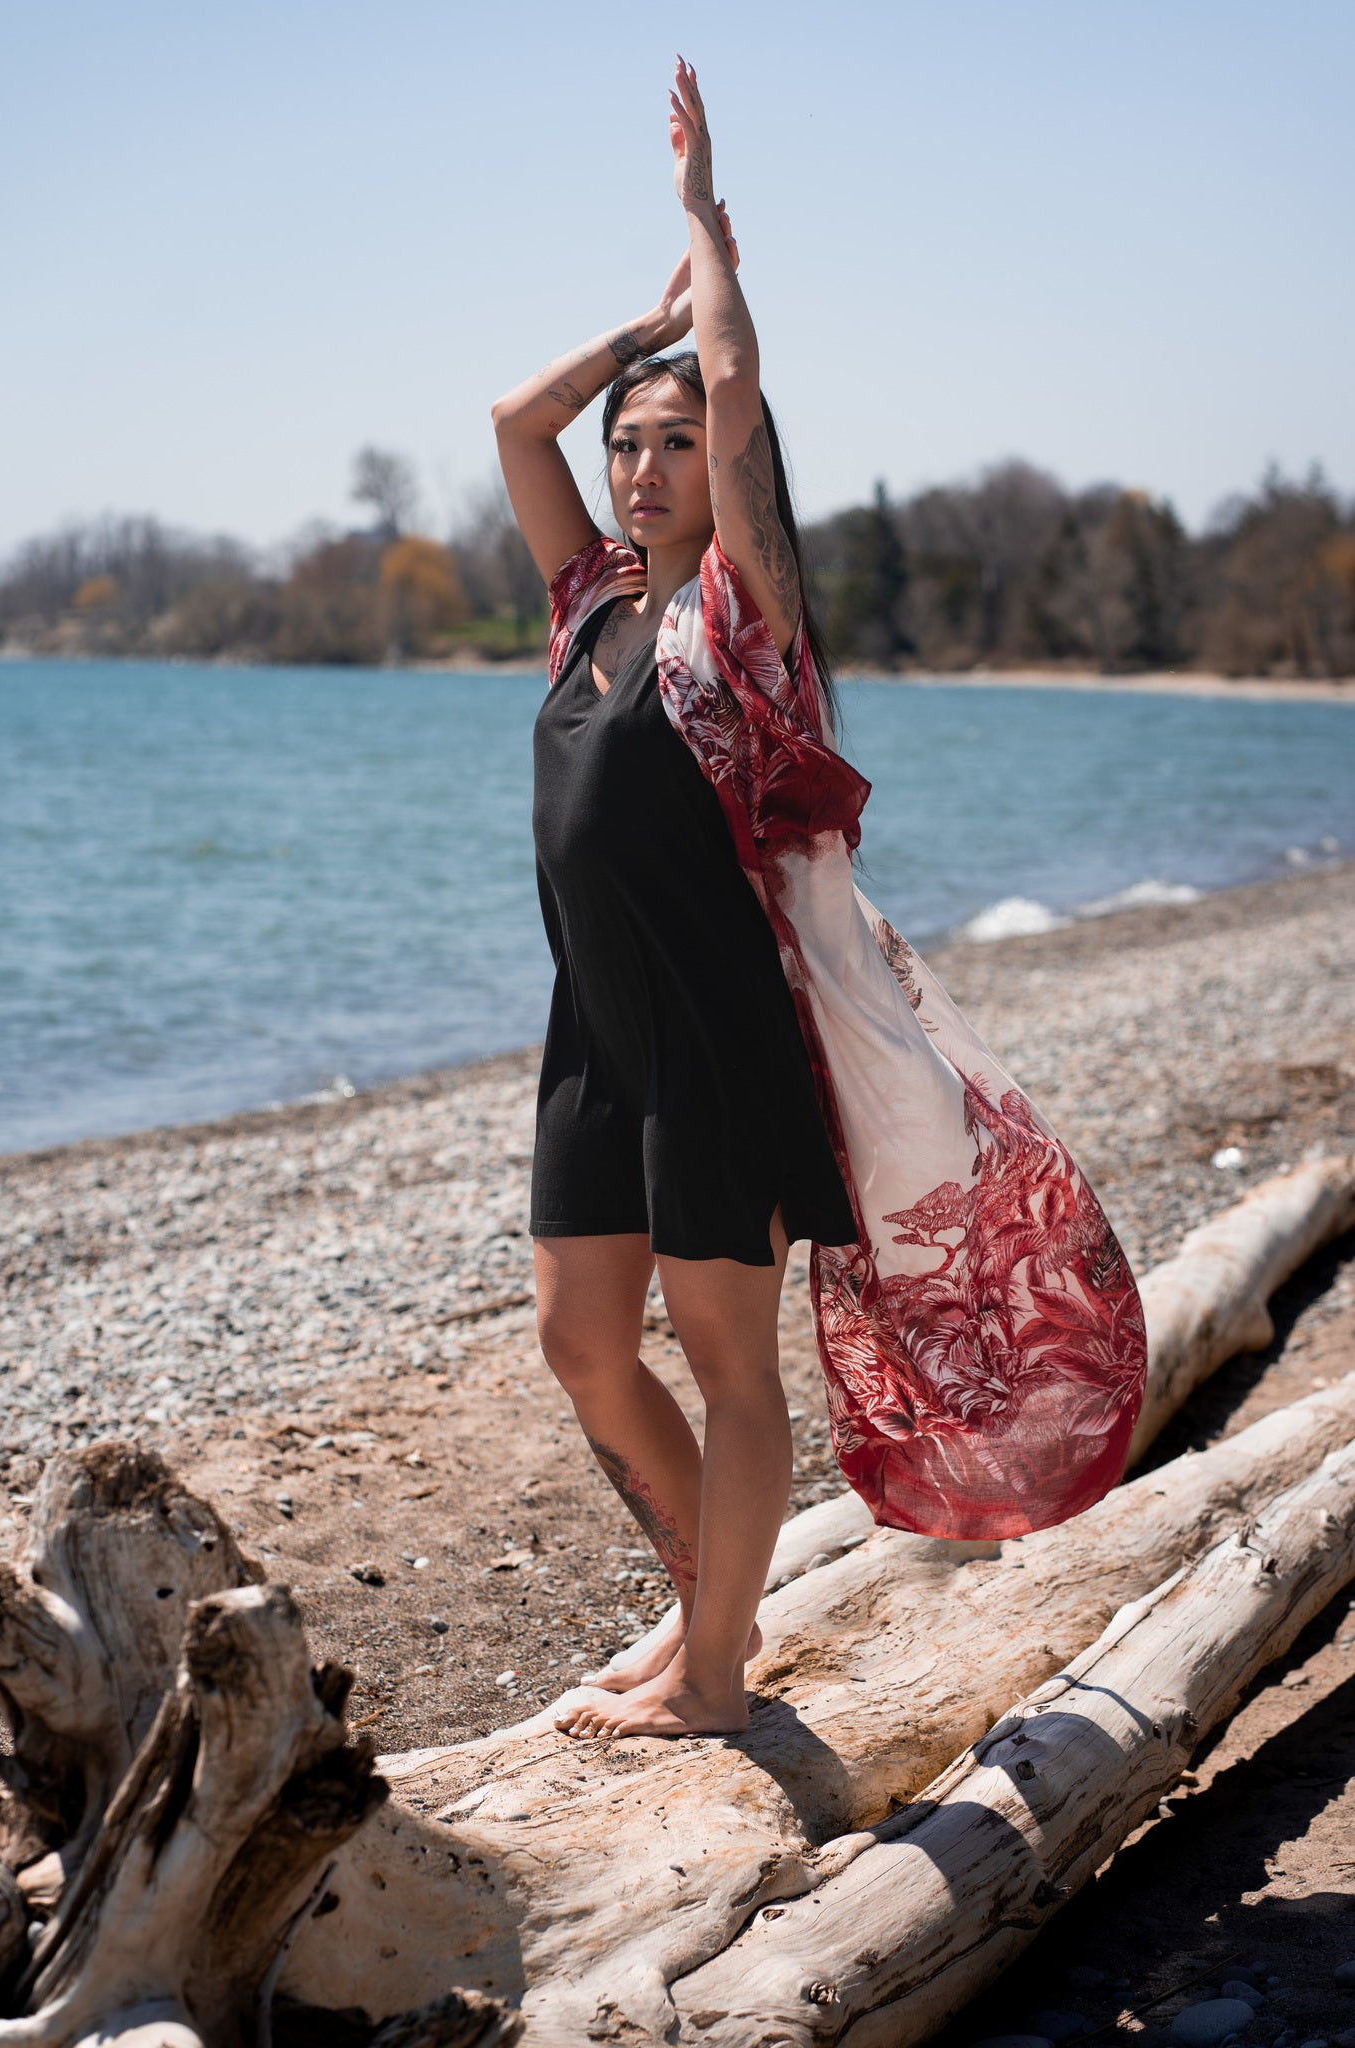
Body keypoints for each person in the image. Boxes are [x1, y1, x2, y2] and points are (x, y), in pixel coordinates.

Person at [492, 60, 1148, 1742]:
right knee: (581, 1341)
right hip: (595, 1032)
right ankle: (695, 1610)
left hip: (718, 1039)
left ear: (725, 475)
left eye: (671, 447)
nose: (643, 467)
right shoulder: (587, 607)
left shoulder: (739, 620)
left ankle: (715, 1674)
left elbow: (733, 383)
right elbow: (509, 422)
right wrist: (632, 330)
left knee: (726, 1362)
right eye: (628, 445)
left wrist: (703, 233)